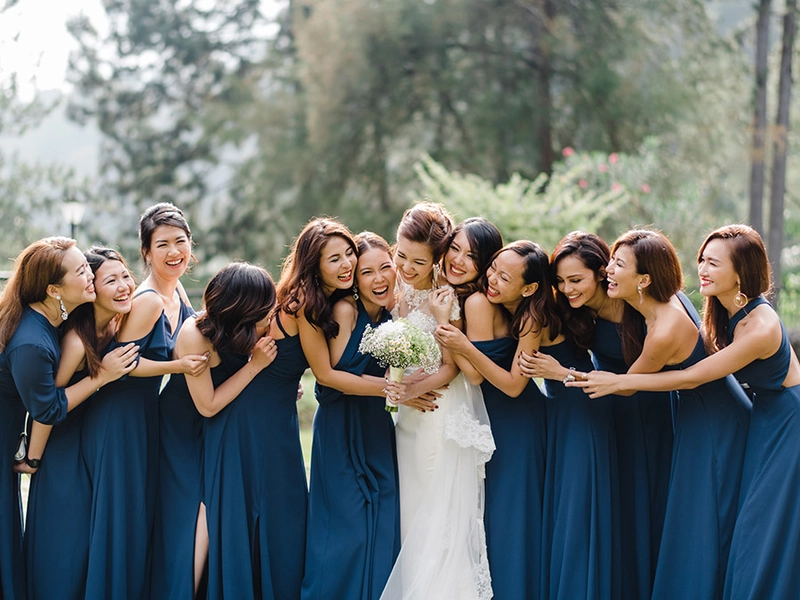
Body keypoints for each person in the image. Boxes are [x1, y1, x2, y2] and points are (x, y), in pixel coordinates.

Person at [571, 224, 798, 600]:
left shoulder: (760, 325)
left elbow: (693, 376)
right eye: (702, 260)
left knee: (763, 528)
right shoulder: (723, 307)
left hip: (787, 424)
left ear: (740, 274)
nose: (702, 270)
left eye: (713, 263)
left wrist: (621, 382)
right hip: (761, 414)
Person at [519, 231, 673, 599]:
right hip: (608, 407)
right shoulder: (575, 313)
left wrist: (561, 374)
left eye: (576, 280)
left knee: (652, 503)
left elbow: (638, 378)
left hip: (649, 406)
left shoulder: (640, 304)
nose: (567, 289)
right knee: (621, 509)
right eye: (561, 282)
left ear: (601, 272)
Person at [0, 238, 137, 600]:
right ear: (53, 289)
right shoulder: (32, 341)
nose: (89, 276)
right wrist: (102, 376)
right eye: (80, 271)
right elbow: (46, 409)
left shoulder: (51, 321)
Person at [83, 203, 206, 599]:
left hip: (154, 417)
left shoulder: (178, 290)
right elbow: (122, 365)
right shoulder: (149, 300)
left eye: (180, 242)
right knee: (128, 516)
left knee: (159, 513)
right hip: (123, 414)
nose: (174, 252)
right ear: (146, 253)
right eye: (163, 244)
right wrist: (179, 366)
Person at [380, 202, 495, 600]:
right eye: (401, 256)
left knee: (437, 517)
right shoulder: (396, 289)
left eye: (418, 261)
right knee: (411, 516)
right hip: (407, 422)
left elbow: (453, 368)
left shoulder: (449, 299)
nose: (407, 268)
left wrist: (412, 390)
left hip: (437, 410)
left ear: (436, 260)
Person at [434, 240, 556, 600]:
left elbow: (514, 385)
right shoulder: (490, 304)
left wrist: (461, 343)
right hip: (489, 420)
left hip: (518, 422)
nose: (493, 280)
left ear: (529, 287)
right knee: (490, 518)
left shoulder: (532, 318)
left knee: (513, 518)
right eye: (493, 270)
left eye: (505, 277)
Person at [163, 262, 286, 598]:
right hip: (182, 430)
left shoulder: (242, 329)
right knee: (198, 507)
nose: (270, 314)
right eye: (265, 307)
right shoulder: (195, 335)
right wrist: (256, 367)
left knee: (213, 506)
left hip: (217, 428)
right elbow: (208, 404)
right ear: (242, 307)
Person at [302, 232, 403, 599]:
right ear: (356, 281)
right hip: (339, 428)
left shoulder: (396, 315)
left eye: (385, 268)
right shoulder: (346, 311)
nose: (378, 279)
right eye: (367, 272)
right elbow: (331, 378)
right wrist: (388, 387)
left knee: (385, 519)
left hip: (377, 427)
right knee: (346, 532)